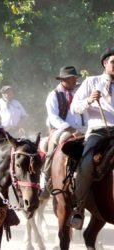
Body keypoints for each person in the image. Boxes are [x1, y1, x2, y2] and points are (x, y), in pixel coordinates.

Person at [69, 47, 114, 229]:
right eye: (113, 61)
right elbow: (74, 108)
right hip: (99, 131)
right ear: (105, 63)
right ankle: (78, 209)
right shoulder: (91, 82)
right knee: (86, 162)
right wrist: (89, 100)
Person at [40, 66, 86, 198]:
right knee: (51, 151)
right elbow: (54, 117)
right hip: (60, 129)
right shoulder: (54, 95)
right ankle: (45, 181)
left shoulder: (78, 94)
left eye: (75, 78)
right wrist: (70, 129)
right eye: (71, 78)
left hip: (80, 129)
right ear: (63, 80)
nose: (74, 81)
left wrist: (84, 128)